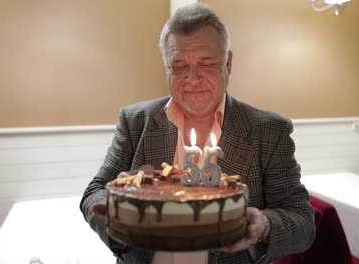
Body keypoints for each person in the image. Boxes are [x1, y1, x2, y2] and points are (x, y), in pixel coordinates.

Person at [80, 3, 315, 264]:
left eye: (207, 64)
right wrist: (118, 218)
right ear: (166, 66)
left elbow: (302, 221)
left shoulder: (269, 130)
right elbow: (94, 192)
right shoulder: (135, 121)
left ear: (228, 63)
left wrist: (263, 225)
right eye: (179, 66)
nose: (193, 79)